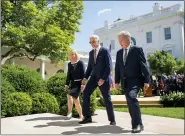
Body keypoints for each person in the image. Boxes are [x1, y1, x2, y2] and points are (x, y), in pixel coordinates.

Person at [115, 31, 150, 133]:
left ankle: (136, 125)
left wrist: (147, 80)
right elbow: (118, 68)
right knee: (130, 103)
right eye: (119, 41)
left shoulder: (137, 50)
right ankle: (139, 123)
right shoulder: (118, 53)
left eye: (121, 40)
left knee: (132, 97)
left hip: (135, 80)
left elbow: (144, 65)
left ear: (128, 39)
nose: (120, 42)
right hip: (125, 82)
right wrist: (116, 81)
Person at [79, 35, 116, 125]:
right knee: (86, 93)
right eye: (90, 42)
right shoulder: (91, 53)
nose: (92, 44)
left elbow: (109, 66)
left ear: (98, 41)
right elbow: (90, 67)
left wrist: (103, 79)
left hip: (104, 78)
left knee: (107, 99)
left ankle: (112, 120)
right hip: (94, 78)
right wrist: (85, 78)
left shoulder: (105, 51)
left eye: (93, 41)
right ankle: (87, 117)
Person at [65, 50, 85, 120]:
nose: (72, 56)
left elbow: (83, 75)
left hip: (79, 83)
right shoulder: (69, 64)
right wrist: (66, 84)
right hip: (72, 83)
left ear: (76, 54)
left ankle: (73, 114)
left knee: (72, 97)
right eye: (70, 55)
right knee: (73, 98)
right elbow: (68, 75)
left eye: (73, 54)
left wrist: (83, 85)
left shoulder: (80, 63)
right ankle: (77, 114)